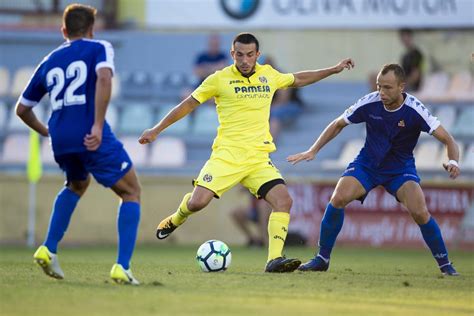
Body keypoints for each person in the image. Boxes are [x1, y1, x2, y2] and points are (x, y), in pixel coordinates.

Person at [139, 32, 354, 273]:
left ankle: (274, 259)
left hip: (257, 158)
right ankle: (178, 217)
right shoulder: (219, 79)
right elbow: (188, 104)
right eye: (239, 54)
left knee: (284, 200)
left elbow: (299, 78)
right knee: (198, 202)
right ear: (232, 54)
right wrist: (157, 129)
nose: (244, 60)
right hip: (226, 156)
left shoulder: (269, 75)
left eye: (249, 55)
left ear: (257, 55)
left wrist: (333, 70)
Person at [287, 63, 460, 276]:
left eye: (387, 87)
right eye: (379, 86)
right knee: (338, 198)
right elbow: (338, 123)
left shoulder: (415, 110)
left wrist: (453, 162)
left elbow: (447, 139)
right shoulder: (370, 102)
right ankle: (322, 258)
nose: (381, 92)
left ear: (401, 87)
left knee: (420, 212)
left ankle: (445, 266)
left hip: (400, 169)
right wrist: (313, 150)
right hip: (368, 164)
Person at [16, 4, 141, 285]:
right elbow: (105, 78)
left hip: (61, 137)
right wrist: (97, 124)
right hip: (89, 132)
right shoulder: (100, 48)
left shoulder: (48, 60)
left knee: (76, 184)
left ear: (64, 30)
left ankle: (48, 247)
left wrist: (47, 131)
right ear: (91, 29)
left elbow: (22, 110)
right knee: (131, 191)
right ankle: (122, 266)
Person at [264, 56, 304, 140]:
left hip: (291, 105)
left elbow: (283, 100)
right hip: (272, 106)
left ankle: (270, 142)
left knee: (275, 113)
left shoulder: (280, 76)